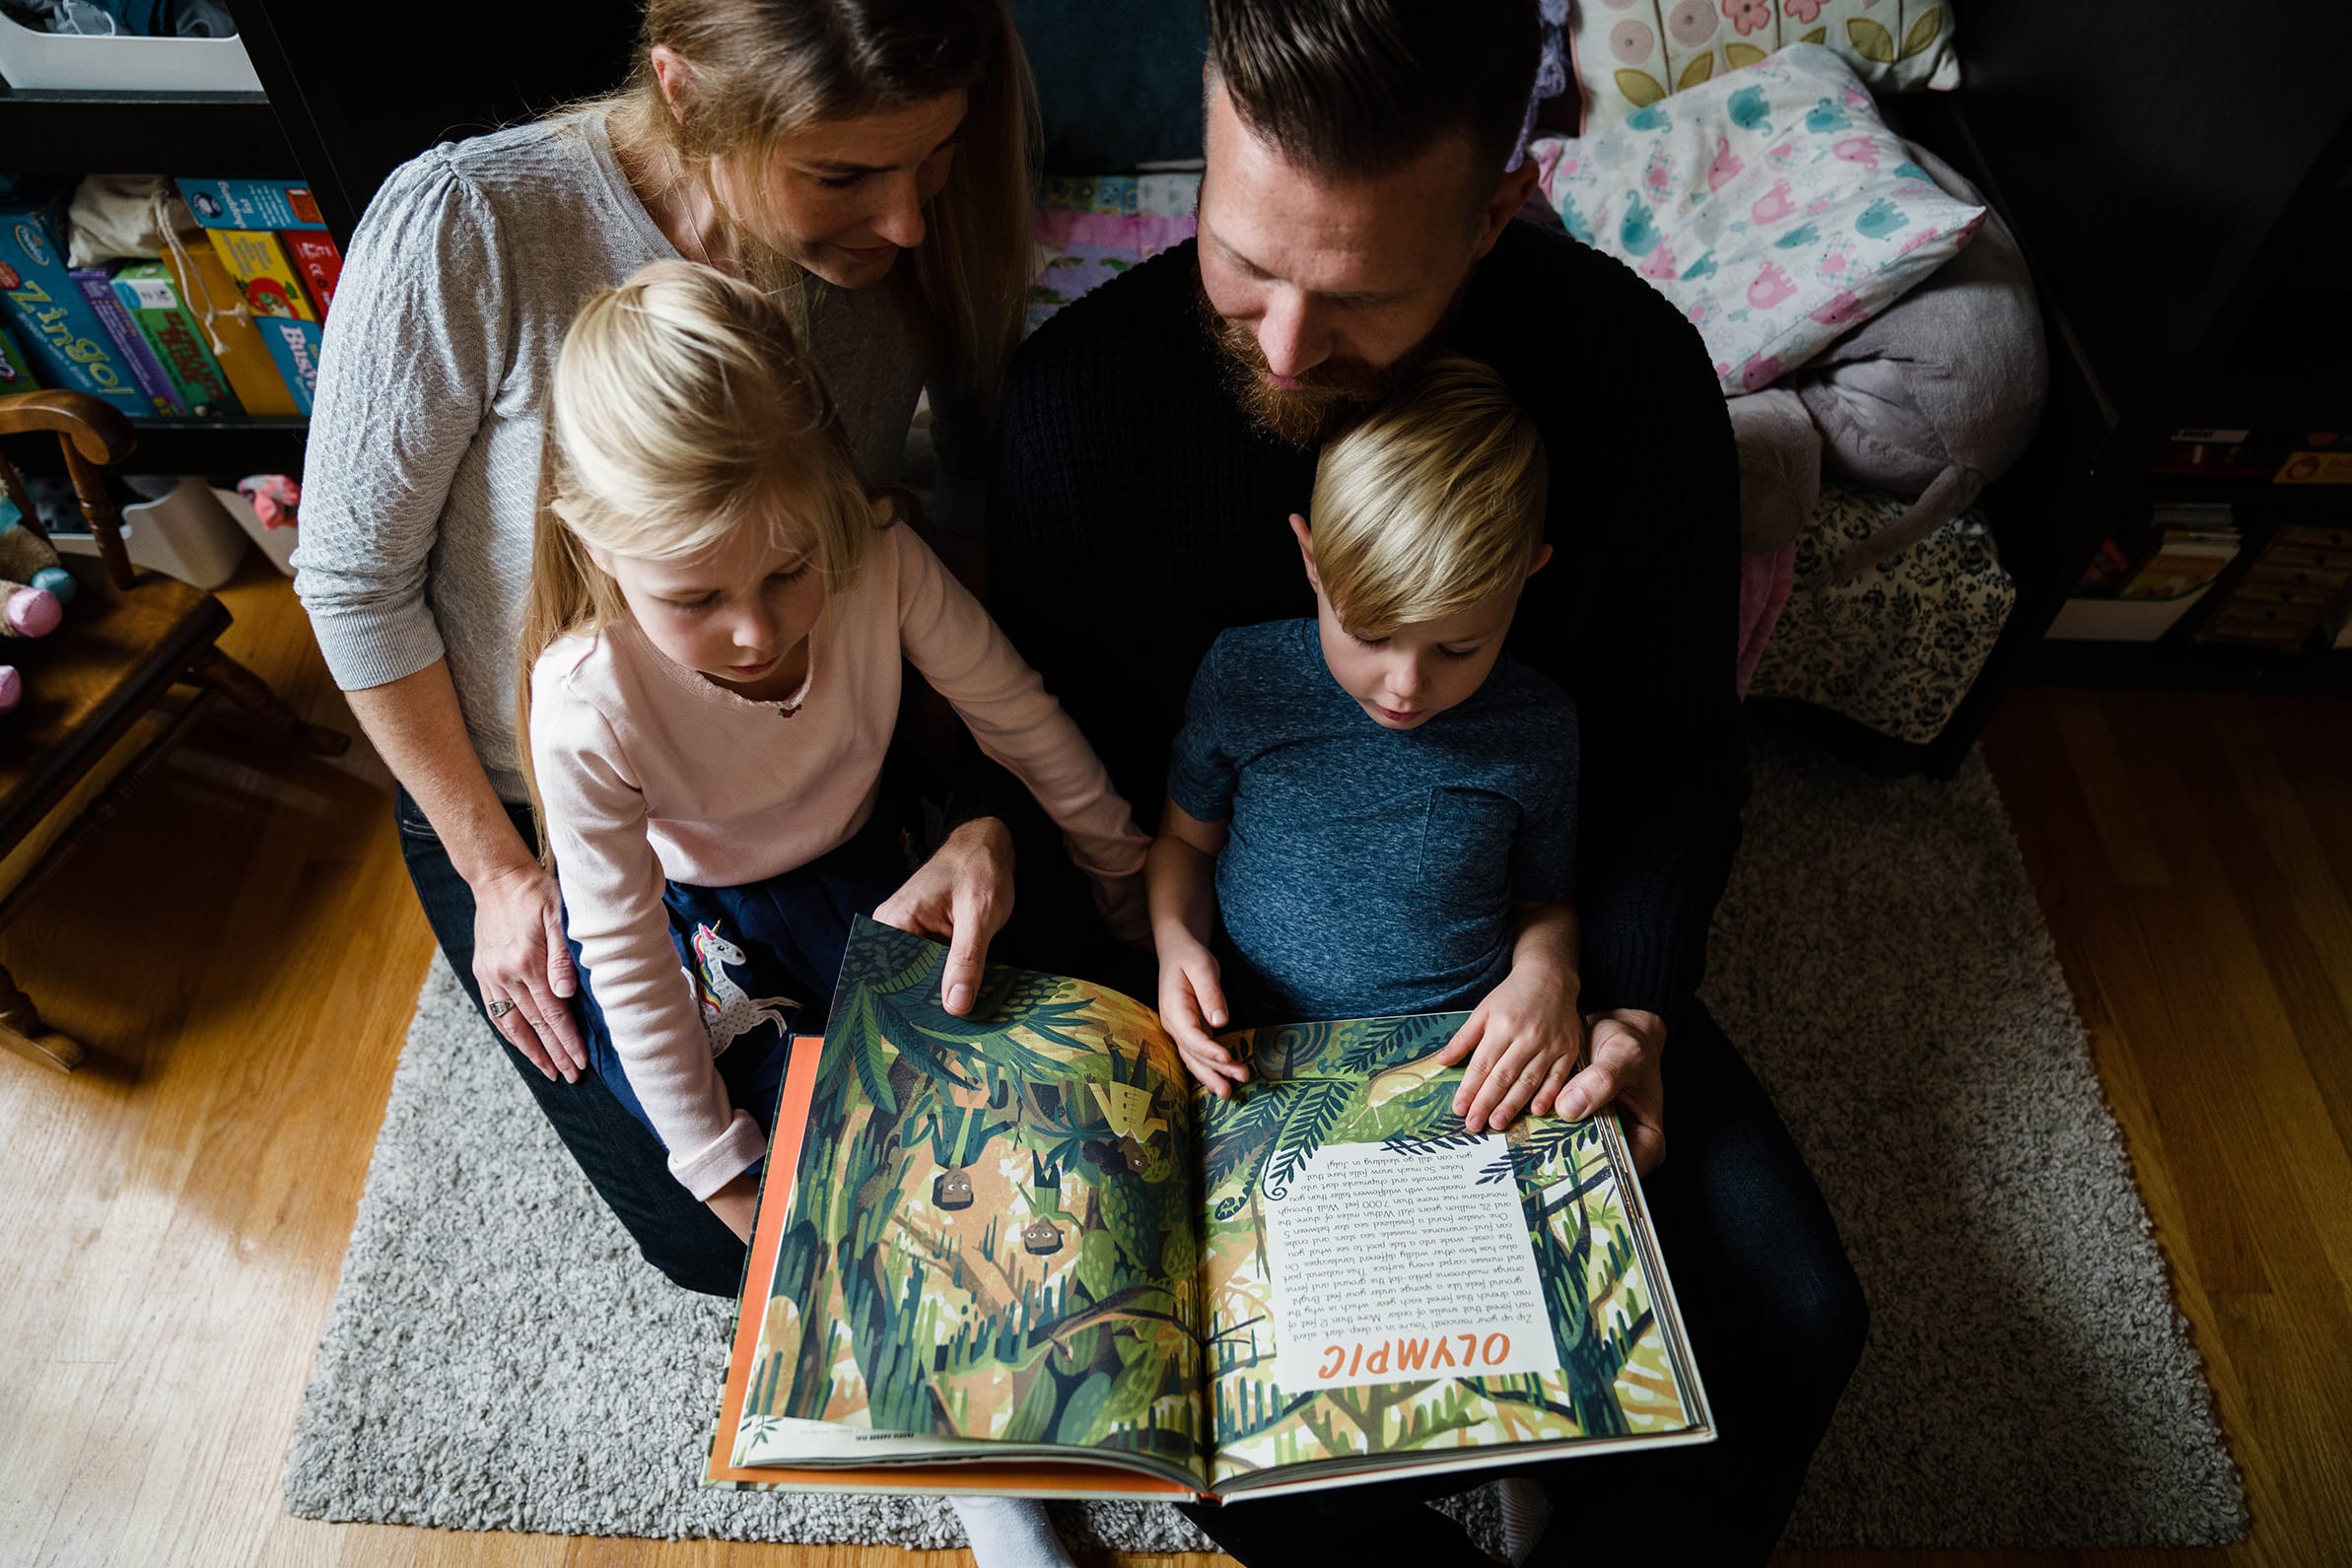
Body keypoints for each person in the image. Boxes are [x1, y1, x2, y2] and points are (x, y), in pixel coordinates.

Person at [945, 1, 1870, 1560]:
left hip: (1504, 957)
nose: (1284, 346)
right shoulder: (1074, 407)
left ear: (1496, 213)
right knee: (1258, 1424)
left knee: (1794, 1321)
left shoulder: (1634, 379)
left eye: (1361, 291)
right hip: (1234, 1013)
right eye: (1241, 259)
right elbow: (1056, 767)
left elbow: (1674, 763)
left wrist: (1625, 1001)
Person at [292, 0, 1036, 1304]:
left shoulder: (899, 256)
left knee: (982, 1074)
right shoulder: (470, 224)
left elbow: (893, 550)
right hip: (540, 795)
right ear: (686, 94)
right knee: (723, 1221)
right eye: (842, 175)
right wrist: (496, 869)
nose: (908, 221)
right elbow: (354, 585)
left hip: (790, 741)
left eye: (931, 161)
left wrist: (981, 803)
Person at [522, 257, 1147, 1234]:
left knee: (1021, 1087)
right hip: (708, 928)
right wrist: (726, 1176)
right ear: (598, 546)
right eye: (696, 598)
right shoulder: (585, 704)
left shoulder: (880, 559)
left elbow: (1019, 718)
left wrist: (1122, 877)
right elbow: (628, 955)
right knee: (835, 1167)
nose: (755, 633)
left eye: (788, 570)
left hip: (875, 863)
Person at [1151, 356, 1596, 1143]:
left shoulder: (1537, 727)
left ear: (1526, 579)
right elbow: (1186, 841)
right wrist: (1175, 947)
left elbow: (1543, 902)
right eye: (1369, 634)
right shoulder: (1245, 678)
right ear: (1312, 562)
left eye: (1457, 648)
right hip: (1256, 1052)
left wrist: (1545, 975)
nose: (1406, 684)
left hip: (1460, 1068)